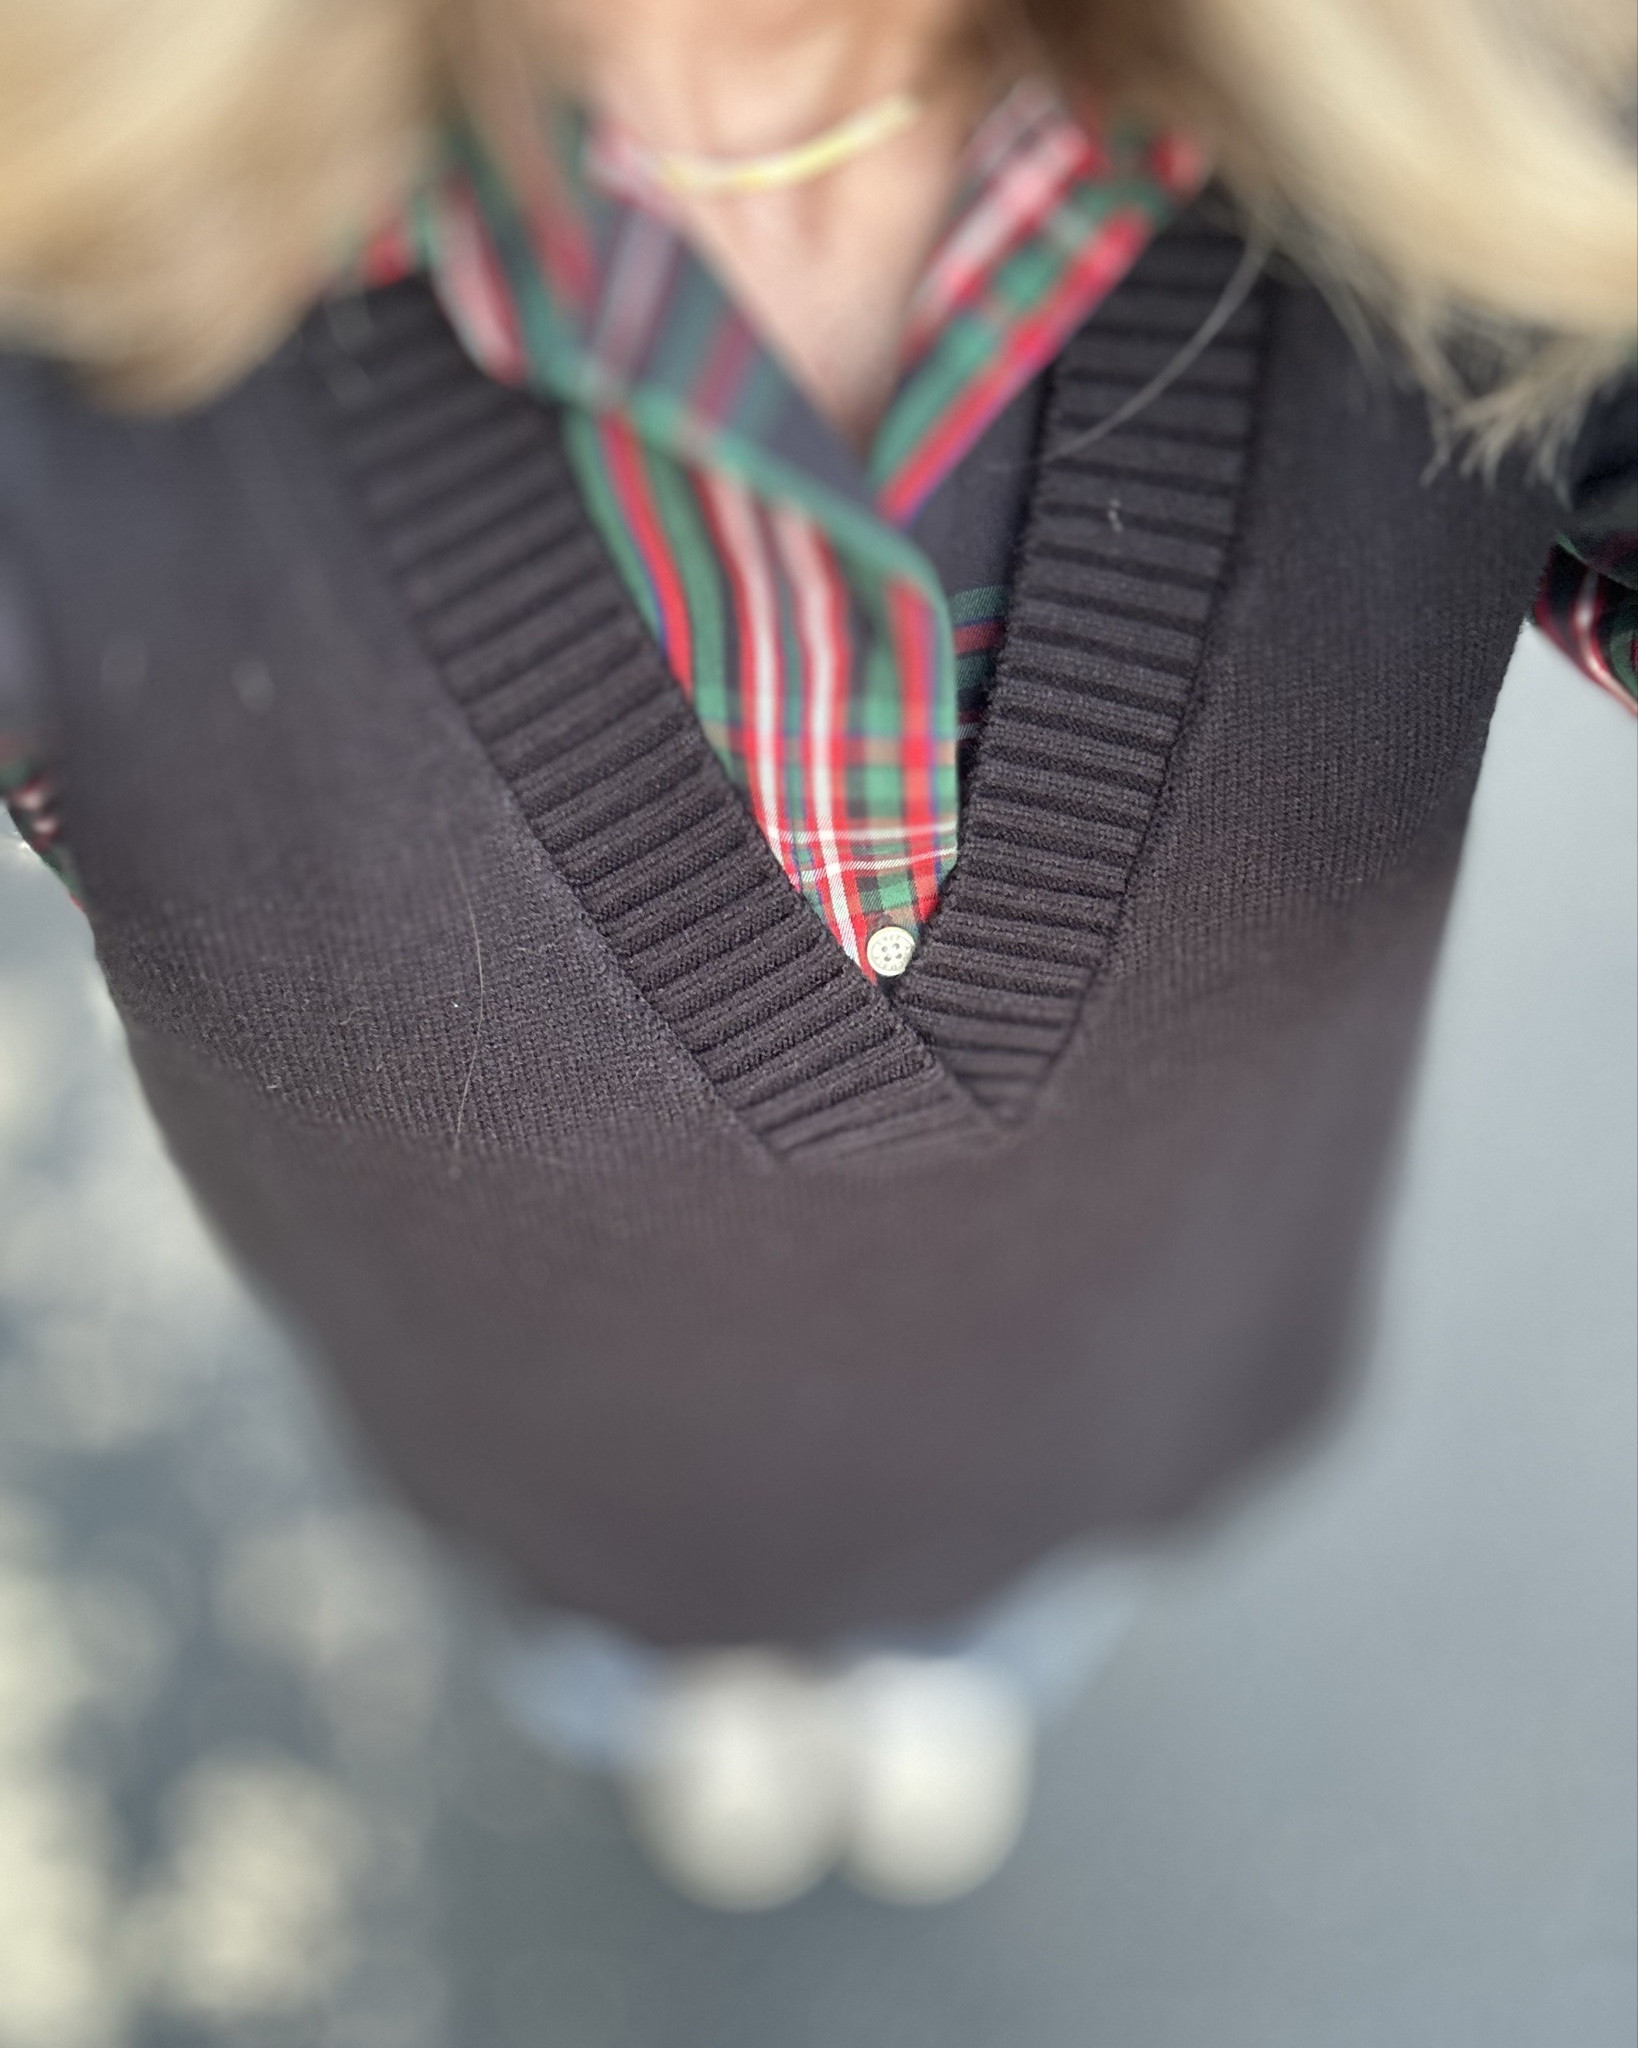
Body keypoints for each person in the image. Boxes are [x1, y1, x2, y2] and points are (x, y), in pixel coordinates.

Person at [0, 0, 1632, 1909]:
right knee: (624, 1649)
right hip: (559, 1469)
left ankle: (950, 1668)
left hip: (1112, 1387)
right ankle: (689, 1694)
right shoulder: (76, 301)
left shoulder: (1489, 127)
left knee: (1003, 1608)